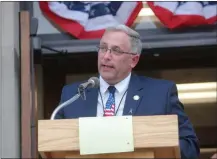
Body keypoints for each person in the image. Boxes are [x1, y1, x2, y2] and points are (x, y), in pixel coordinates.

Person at [55, 24, 200, 159]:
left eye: (116, 51)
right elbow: (54, 145)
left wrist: (152, 143)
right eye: (103, 48)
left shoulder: (161, 93)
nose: (106, 56)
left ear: (134, 60)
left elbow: (190, 147)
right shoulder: (73, 95)